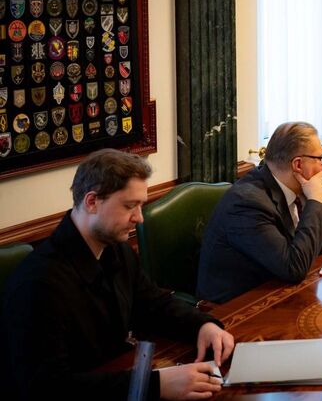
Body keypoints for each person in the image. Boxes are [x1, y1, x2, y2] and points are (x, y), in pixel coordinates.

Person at [1, 149, 235, 400]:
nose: (139, 218)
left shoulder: (115, 249)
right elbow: (48, 388)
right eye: (129, 206)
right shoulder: (39, 283)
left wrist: (202, 325)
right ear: (92, 202)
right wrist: (155, 385)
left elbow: (153, 304)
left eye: (141, 205)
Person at [197, 122, 322, 303]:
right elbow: (293, 268)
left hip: (279, 291)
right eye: (320, 158)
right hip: (236, 308)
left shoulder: (294, 185)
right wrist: (315, 201)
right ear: (298, 165)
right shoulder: (247, 204)